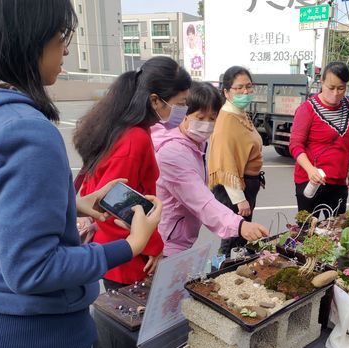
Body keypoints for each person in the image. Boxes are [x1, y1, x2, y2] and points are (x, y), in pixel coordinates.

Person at [0, 1, 162, 348]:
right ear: (27, 41)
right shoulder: (25, 130)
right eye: (63, 39)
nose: (66, 53)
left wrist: (72, 203)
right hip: (40, 346)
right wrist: (130, 246)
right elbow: (33, 270)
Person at [74, 56, 191, 290]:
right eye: (181, 103)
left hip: (121, 248)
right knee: (131, 321)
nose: (183, 110)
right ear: (155, 100)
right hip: (129, 255)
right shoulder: (134, 139)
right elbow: (114, 204)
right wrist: (153, 246)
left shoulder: (123, 127)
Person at [152, 82, 269, 256]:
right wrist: (239, 225)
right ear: (184, 113)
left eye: (213, 118)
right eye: (200, 118)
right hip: (164, 241)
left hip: (177, 235)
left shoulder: (197, 143)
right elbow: (201, 201)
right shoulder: (172, 152)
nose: (207, 124)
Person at [208, 66, 264, 257]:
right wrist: (240, 199)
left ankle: (235, 272)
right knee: (233, 237)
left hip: (246, 185)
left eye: (249, 86)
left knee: (241, 238)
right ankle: (222, 273)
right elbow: (225, 163)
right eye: (238, 88)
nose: (245, 91)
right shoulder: (227, 119)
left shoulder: (240, 114)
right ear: (226, 92)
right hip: (235, 189)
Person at [290, 61, 349, 217]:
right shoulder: (307, 109)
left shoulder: (346, 105)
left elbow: (346, 141)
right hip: (312, 181)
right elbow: (295, 145)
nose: (335, 93)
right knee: (307, 231)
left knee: (336, 229)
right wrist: (310, 169)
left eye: (341, 88)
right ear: (322, 82)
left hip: (338, 182)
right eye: (331, 88)